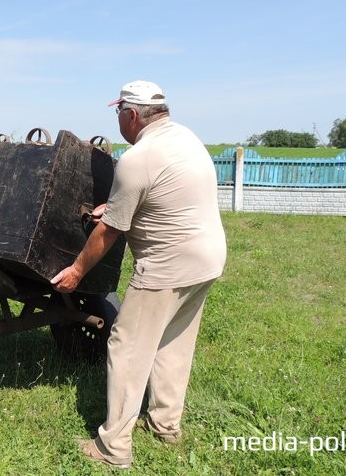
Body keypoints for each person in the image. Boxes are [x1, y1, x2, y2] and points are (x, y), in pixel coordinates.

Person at [50, 80, 227, 469]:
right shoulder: (185, 138)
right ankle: (164, 425)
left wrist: (77, 271)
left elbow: (110, 232)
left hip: (168, 264)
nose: (117, 119)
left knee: (127, 346)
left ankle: (113, 445)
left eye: (118, 113)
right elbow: (156, 195)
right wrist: (110, 208)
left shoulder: (137, 157)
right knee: (173, 342)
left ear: (131, 115)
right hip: (209, 258)